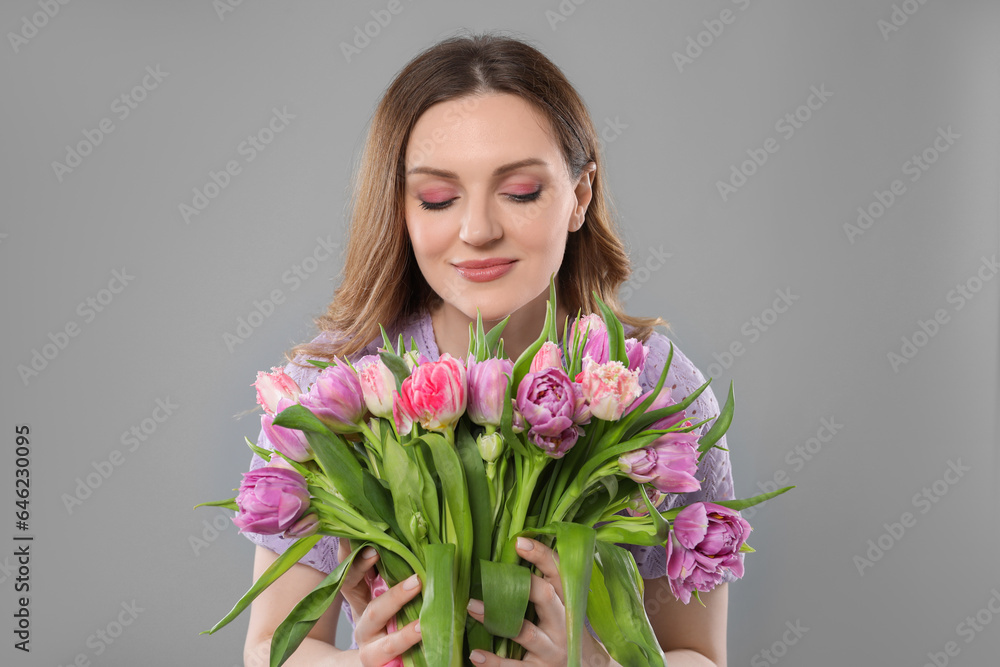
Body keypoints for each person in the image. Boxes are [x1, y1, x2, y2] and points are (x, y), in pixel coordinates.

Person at [241, 30, 738, 667]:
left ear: (579, 197)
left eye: (521, 191)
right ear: (402, 208)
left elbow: (699, 656)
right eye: (438, 198)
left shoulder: (655, 387)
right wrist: (363, 665)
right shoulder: (333, 389)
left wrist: (591, 664)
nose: (477, 230)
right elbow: (270, 651)